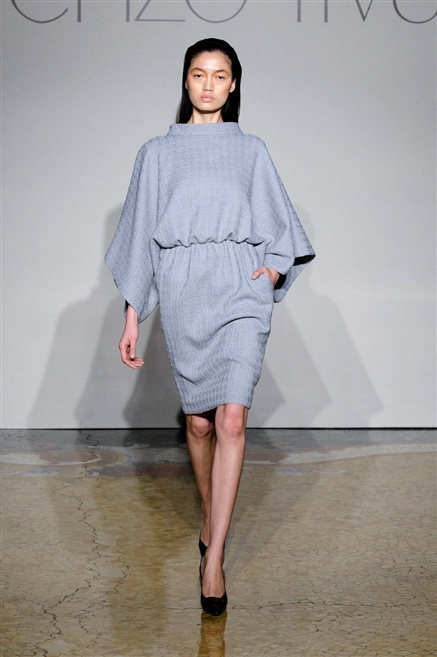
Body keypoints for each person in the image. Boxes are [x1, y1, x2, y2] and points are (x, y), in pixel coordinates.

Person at [105, 38, 315, 616]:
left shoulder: (251, 150)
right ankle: (210, 517)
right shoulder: (156, 153)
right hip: (184, 287)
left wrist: (273, 269)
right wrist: (132, 314)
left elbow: (279, 222)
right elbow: (140, 234)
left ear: (233, 84)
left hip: (239, 284)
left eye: (220, 75)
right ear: (186, 81)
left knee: (232, 418)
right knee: (198, 424)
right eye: (199, 74)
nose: (208, 84)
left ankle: (215, 557)